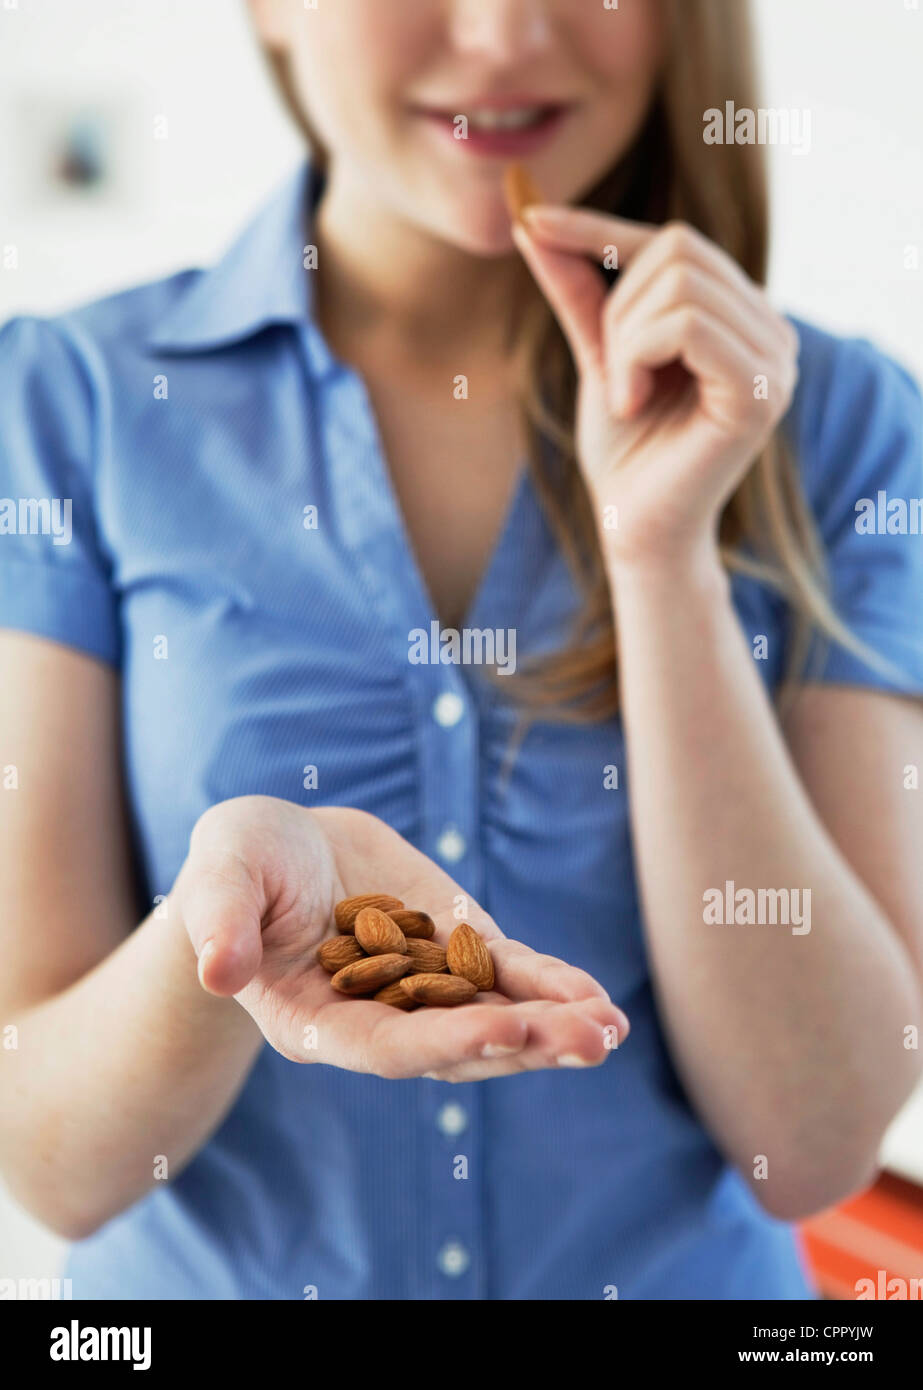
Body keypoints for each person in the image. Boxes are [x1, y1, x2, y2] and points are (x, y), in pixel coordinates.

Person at [0, 0, 921, 1301]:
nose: (500, 34)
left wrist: (662, 554)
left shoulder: (843, 422)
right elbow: (51, 1160)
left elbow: (814, 1144)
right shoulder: (68, 402)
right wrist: (221, 931)